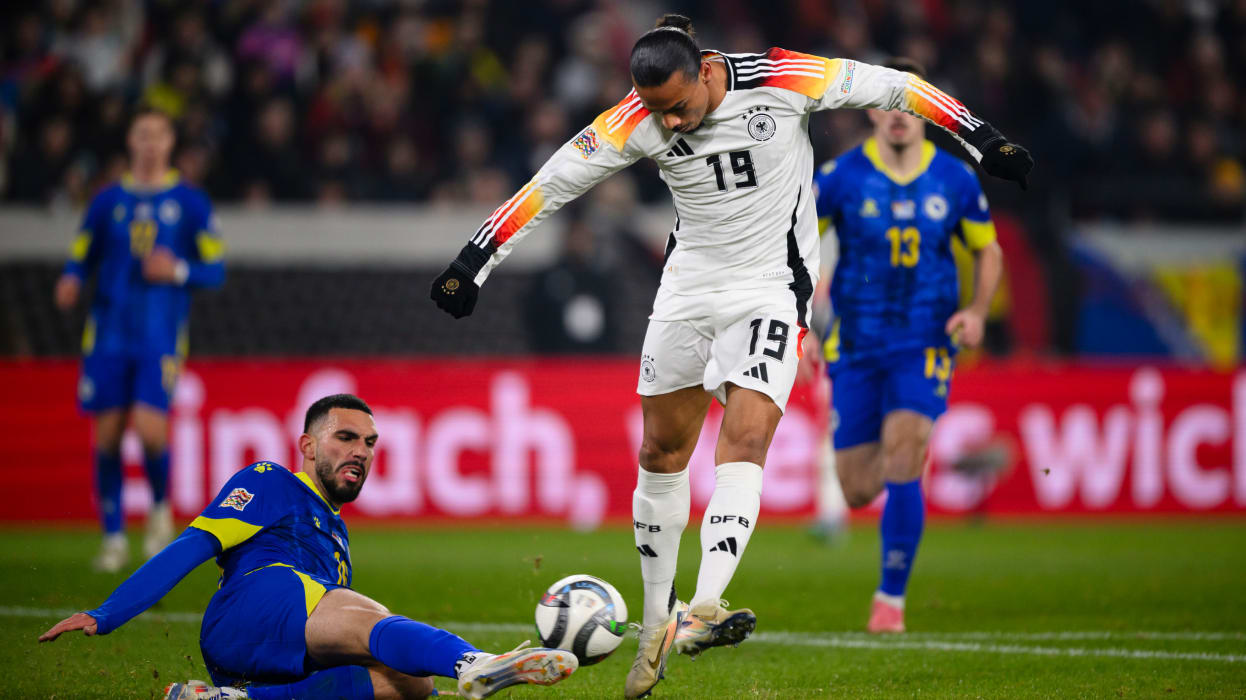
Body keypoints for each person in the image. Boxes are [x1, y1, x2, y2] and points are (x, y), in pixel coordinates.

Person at [429, 15, 1031, 697]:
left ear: (706, 72)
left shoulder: (782, 77)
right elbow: (553, 182)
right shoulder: (638, 117)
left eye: (678, 106)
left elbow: (897, 87)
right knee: (661, 453)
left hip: (770, 289)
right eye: (657, 111)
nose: (670, 123)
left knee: (746, 436)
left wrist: (984, 139)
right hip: (686, 291)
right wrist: (473, 261)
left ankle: (706, 605)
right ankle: (656, 624)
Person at [38, 394, 578, 700]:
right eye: (346, 438)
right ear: (308, 445)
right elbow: (191, 546)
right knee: (365, 615)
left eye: (370, 443)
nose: (361, 451)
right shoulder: (272, 482)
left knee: (410, 686)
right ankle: (473, 661)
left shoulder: (337, 535)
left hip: (270, 653)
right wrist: (107, 613)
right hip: (249, 609)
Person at [813, 58, 1006, 634]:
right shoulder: (839, 177)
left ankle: (889, 601)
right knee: (856, 489)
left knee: (905, 451)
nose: (899, 115)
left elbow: (988, 250)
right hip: (855, 343)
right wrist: (800, 323)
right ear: (871, 111)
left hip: (925, 340)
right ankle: (933, 458)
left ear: (928, 112)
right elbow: (798, 250)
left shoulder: (956, 179)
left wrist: (976, 312)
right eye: (888, 103)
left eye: (911, 104)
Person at [54, 106, 226, 572]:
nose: (150, 143)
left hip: (160, 335)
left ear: (170, 143)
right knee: (107, 436)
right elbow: (82, 252)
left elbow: (216, 268)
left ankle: (158, 510)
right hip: (108, 333)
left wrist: (179, 270)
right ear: (131, 141)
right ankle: (113, 538)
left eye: (158, 135)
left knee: (151, 430)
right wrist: (71, 278)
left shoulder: (190, 202)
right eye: (142, 134)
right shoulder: (106, 200)